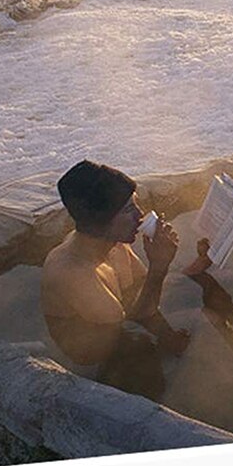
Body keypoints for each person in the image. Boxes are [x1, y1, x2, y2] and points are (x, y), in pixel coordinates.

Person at [41, 160, 191, 391]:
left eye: (136, 205)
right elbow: (134, 317)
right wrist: (159, 266)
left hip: (117, 322)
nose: (140, 215)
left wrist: (168, 336)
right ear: (101, 220)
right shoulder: (74, 274)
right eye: (129, 210)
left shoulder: (113, 244)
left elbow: (140, 293)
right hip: (94, 352)